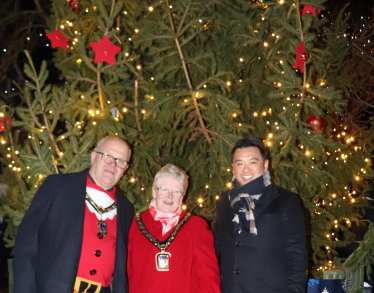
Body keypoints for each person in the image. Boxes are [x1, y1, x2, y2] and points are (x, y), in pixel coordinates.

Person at [13, 136, 134, 293]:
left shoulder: (126, 209)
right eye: (107, 156)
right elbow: (26, 247)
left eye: (121, 161)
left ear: (125, 169)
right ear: (93, 157)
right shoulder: (57, 187)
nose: (113, 164)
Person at [214, 137, 307, 293]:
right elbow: (216, 247)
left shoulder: (285, 201)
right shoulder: (224, 202)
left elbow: (296, 257)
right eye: (240, 163)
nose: (246, 170)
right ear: (233, 167)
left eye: (252, 162)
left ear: (265, 165)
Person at [127, 164, 221, 293]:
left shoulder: (197, 227)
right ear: (154, 191)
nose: (170, 196)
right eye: (164, 189)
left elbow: (209, 278)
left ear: (182, 197)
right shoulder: (134, 226)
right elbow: (124, 275)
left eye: (176, 191)